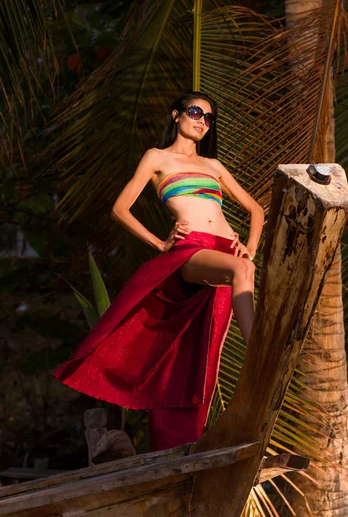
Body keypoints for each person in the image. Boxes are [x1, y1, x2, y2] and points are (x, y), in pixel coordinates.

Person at [53, 91, 264, 452]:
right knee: (243, 270)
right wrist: (160, 244)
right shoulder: (156, 157)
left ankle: (182, 445)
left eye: (208, 118)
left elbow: (256, 210)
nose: (202, 120)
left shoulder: (214, 166)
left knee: (202, 358)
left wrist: (251, 246)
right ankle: (263, 351)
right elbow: (120, 209)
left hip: (228, 252)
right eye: (196, 112)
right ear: (176, 115)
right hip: (192, 250)